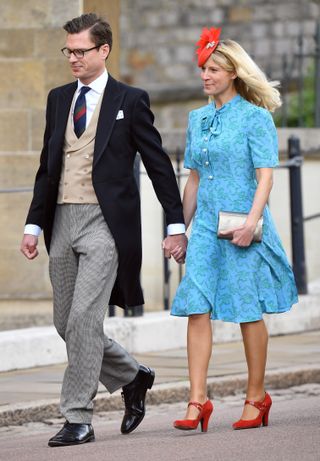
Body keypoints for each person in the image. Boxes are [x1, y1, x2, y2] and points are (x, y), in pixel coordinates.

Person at [20, 13, 187, 447]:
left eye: (81, 51)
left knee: (83, 319)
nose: (72, 59)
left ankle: (79, 417)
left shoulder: (130, 100)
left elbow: (158, 165)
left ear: (103, 50)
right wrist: (33, 224)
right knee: (65, 323)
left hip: (105, 226)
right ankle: (133, 376)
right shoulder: (59, 99)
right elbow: (47, 168)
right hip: (61, 221)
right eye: (68, 52)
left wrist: (175, 223)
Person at [164, 27, 298, 432]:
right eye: (203, 68)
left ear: (234, 73)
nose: (206, 75)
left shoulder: (256, 118)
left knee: (246, 310)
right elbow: (194, 179)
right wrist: (179, 230)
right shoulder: (197, 118)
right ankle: (197, 400)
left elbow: (266, 178)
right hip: (205, 227)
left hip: (243, 226)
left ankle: (256, 396)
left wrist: (252, 223)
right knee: (196, 305)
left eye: (215, 69)